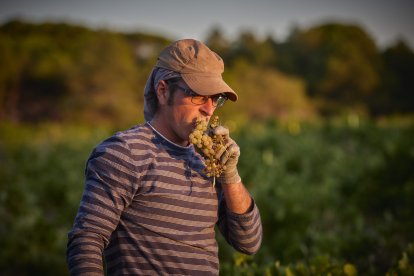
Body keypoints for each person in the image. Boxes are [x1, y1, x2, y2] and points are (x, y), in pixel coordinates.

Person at [67, 39, 262, 275]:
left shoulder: (208, 163)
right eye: (199, 95)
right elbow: (86, 240)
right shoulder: (125, 152)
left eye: (215, 99)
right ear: (163, 91)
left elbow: (248, 242)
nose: (209, 109)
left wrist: (230, 176)